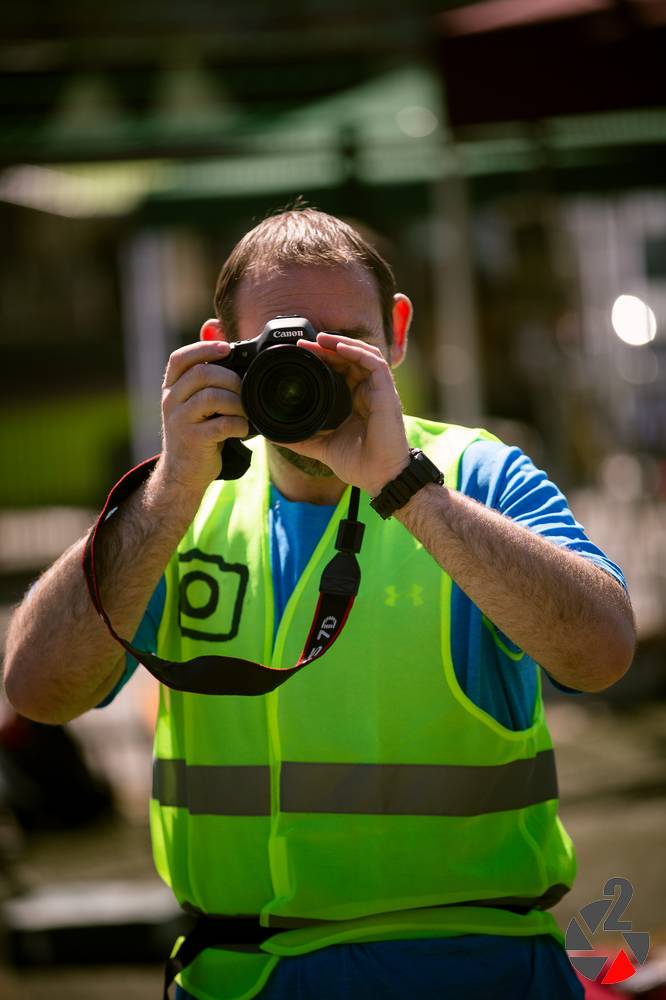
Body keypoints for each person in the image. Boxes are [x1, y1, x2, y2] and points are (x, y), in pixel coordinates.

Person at [3, 207, 635, 1000]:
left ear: (396, 334)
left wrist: (407, 489)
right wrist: (167, 491)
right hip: (239, 976)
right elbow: (37, 691)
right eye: (284, 348)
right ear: (222, 350)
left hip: (473, 966)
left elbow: (603, 656)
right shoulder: (179, 506)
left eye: (345, 344)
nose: (312, 374)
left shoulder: (478, 478)